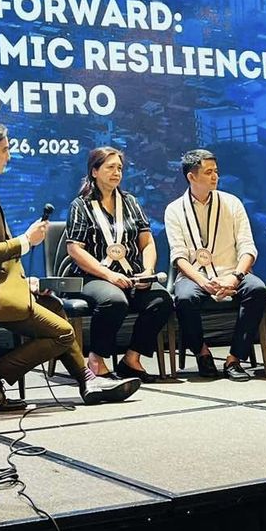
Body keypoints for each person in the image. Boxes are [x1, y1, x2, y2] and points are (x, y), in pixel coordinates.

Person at [0, 122, 140, 409]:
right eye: (5, 150)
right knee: (63, 332)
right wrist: (26, 241)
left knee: (54, 307)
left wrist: (25, 280)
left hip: (3, 284)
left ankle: (88, 381)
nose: (9, 156)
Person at [62, 146, 173, 383]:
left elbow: (147, 242)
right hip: (91, 276)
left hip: (130, 274)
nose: (116, 173)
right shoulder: (80, 205)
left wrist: (147, 271)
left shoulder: (131, 202)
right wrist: (108, 275)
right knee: (114, 300)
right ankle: (96, 360)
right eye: (110, 167)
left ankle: (131, 360)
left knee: (161, 300)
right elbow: (74, 249)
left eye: (120, 168)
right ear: (94, 171)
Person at [164, 149, 263, 381]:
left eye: (216, 171)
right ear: (191, 176)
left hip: (232, 271)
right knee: (185, 298)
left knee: (257, 290)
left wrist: (235, 277)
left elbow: (248, 247)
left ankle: (234, 358)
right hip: (194, 275)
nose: (215, 176)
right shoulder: (174, 209)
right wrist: (203, 281)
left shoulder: (232, 203)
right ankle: (202, 353)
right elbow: (178, 257)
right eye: (208, 172)